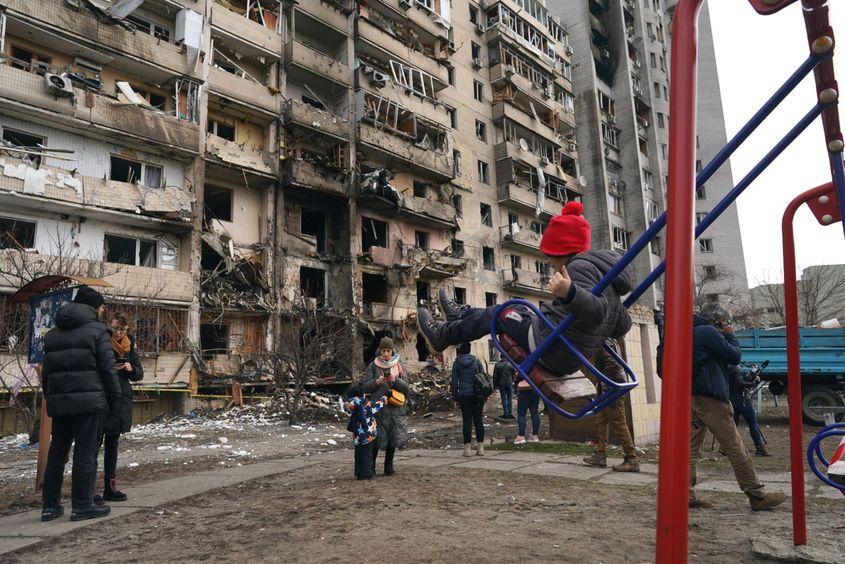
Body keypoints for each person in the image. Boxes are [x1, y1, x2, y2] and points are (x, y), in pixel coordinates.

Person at [418, 202, 633, 407]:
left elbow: (597, 312)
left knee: (501, 313)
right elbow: (622, 326)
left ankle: (442, 336)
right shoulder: (607, 279)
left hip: (551, 347)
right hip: (561, 346)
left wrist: (570, 293)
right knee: (515, 308)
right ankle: (462, 315)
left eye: (549, 254)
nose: (548, 261)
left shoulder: (579, 268)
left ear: (563, 250)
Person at [687, 302, 785, 511]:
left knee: (691, 448)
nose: (726, 326)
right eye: (725, 323)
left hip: (691, 396)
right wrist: (730, 335)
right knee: (734, 445)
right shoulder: (706, 331)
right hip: (711, 397)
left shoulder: (690, 330)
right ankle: (756, 494)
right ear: (718, 321)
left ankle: (686, 494)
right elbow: (734, 355)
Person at [41, 286, 120, 522]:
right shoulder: (97, 332)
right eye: (102, 306)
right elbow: (108, 370)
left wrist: (51, 397)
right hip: (89, 403)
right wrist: (114, 400)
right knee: (85, 453)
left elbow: (47, 373)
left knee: (57, 454)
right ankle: (83, 505)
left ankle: (50, 506)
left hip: (60, 403)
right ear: (94, 308)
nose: (103, 310)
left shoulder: (52, 335)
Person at [94, 314, 144, 502]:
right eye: (116, 329)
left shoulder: (129, 345)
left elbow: (139, 373)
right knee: (94, 444)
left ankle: (110, 487)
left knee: (112, 445)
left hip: (120, 400)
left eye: (122, 330)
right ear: (110, 326)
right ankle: (90, 489)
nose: (119, 333)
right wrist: (109, 369)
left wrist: (131, 369)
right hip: (102, 398)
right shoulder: (101, 342)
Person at [582, 338, 640, 472]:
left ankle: (632, 458)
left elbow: (612, 364)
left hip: (612, 388)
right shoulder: (608, 339)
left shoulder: (605, 341)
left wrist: (604, 381)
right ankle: (600, 455)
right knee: (601, 421)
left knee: (619, 423)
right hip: (609, 387)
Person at [362, 337, 409, 476]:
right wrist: (376, 382)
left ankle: (389, 466)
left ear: (392, 351)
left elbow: (406, 387)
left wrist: (396, 380)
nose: (386, 354)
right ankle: (372, 467)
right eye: (383, 351)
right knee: (377, 438)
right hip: (379, 408)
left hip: (395, 407)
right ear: (380, 351)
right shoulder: (373, 366)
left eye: (388, 350)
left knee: (393, 438)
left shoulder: (399, 365)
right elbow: (365, 387)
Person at [451, 342, 487, 456]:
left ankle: (467, 450)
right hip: (477, 395)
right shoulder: (476, 361)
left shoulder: (456, 364)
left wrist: (455, 398)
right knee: (478, 421)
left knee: (467, 421)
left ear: (460, 351)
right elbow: (484, 378)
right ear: (470, 350)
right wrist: (485, 395)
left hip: (463, 395)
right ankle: (480, 448)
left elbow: (454, 382)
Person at [344, 384, 386, 480]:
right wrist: (383, 399)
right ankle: (366, 473)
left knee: (358, 454)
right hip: (368, 434)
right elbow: (376, 407)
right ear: (362, 395)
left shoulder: (351, 404)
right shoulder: (365, 404)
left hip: (357, 434)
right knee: (367, 454)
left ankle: (358, 472)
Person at [728, 365, 771, 457]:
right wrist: (754, 382)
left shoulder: (724, 367)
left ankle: (727, 448)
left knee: (733, 426)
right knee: (752, 424)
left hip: (731, 400)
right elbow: (740, 383)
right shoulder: (734, 368)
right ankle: (759, 448)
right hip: (742, 400)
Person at [513, 377, 540, 445]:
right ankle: (535, 435)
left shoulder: (524, 366)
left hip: (524, 390)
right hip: (535, 389)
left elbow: (519, 377)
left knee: (521, 414)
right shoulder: (536, 367)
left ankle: (521, 436)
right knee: (534, 413)